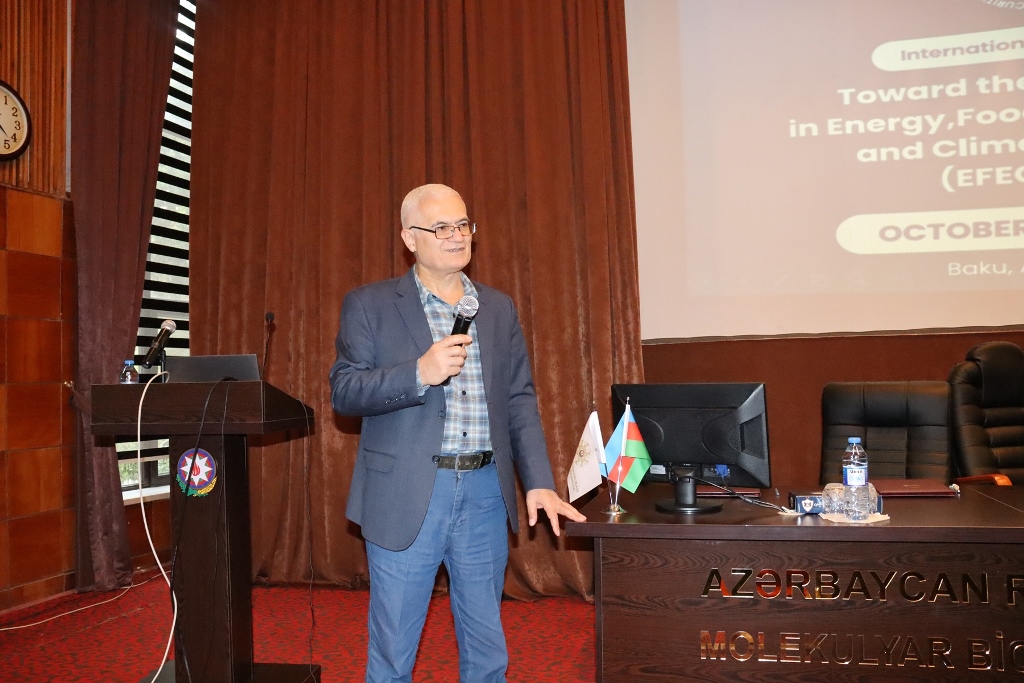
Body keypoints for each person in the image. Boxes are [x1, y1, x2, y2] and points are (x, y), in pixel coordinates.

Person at [329, 183, 586, 683]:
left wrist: (538, 481)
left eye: (463, 224)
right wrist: (417, 373)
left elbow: (519, 399)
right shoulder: (369, 304)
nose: (456, 235)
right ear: (410, 238)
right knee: (393, 650)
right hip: (405, 495)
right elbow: (345, 392)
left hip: (485, 493)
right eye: (441, 227)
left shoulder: (497, 308)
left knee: (486, 644)